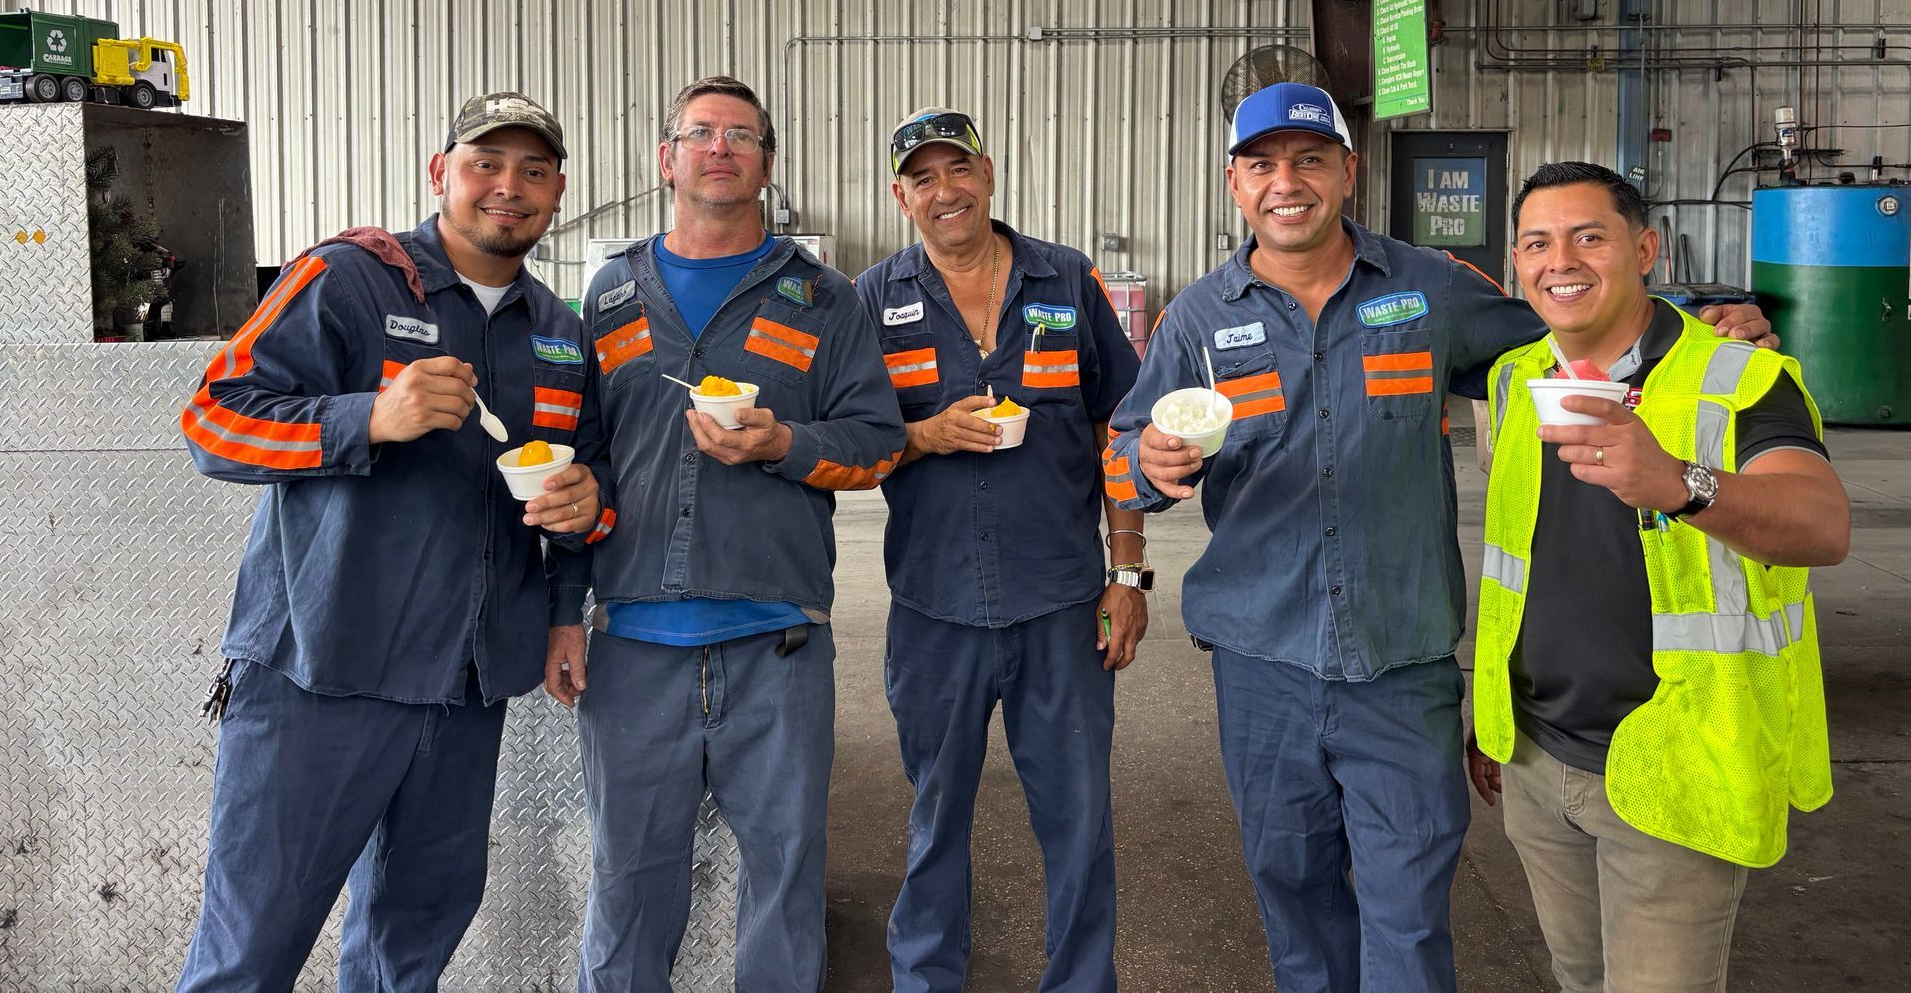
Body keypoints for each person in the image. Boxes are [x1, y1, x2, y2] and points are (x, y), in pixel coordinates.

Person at [1103, 83, 1775, 993]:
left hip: (1401, 665)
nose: (1286, 183)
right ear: (1235, 183)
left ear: (1349, 169)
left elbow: (1572, 322)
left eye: (1309, 159)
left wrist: (1696, 327)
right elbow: (1125, 459)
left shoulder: (1429, 287)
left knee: (1410, 915)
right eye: (1262, 164)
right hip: (1261, 665)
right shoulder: (1198, 319)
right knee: (1293, 897)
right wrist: (1148, 460)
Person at [175, 92, 609, 991]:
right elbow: (212, 423)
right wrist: (369, 416)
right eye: (486, 163)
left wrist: (578, 528)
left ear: (559, 192)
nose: (508, 187)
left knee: (412, 941)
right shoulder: (350, 278)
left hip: (466, 687)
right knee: (252, 944)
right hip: (325, 671)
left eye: (533, 171)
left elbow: (588, 489)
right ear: (440, 173)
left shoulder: (561, 335)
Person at [544, 75, 904, 993]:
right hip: (632, 650)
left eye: (741, 136)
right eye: (700, 133)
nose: (719, 148)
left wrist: (785, 442)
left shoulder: (825, 298)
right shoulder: (612, 292)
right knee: (626, 890)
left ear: (767, 165)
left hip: (776, 648)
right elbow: (582, 459)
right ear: (666, 158)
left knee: (784, 887)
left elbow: (875, 447)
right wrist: (559, 610)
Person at [1465, 161, 1848, 993]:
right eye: (1537, 243)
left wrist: (1682, 484)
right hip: (1536, 757)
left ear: (1646, 250)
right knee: (1578, 976)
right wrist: (1492, 715)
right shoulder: (1512, 380)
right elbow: (1523, 567)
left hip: (1678, 759)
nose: (1560, 260)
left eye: (1588, 238)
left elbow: (1823, 525)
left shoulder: (1739, 379)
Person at [855, 108, 1145, 993]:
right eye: (924, 178)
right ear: (902, 196)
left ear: (989, 171)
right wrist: (925, 435)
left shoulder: (1067, 279)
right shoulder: (871, 298)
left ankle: (1081, 981)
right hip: (934, 606)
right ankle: (927, 977)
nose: (946, 191)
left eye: (959, 169)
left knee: (1078, 818)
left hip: (1059, 602)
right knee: (936, 816)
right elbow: (850, 445)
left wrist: (1126, 571)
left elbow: (1119, 430)